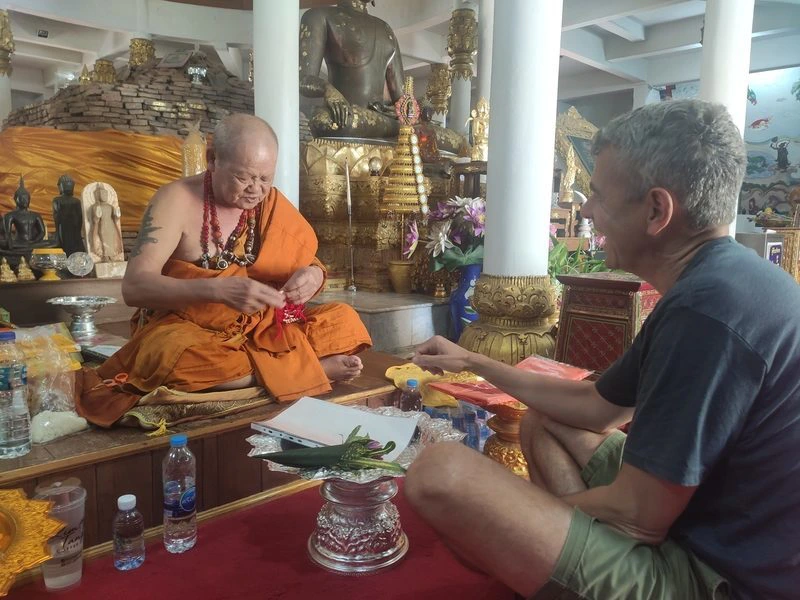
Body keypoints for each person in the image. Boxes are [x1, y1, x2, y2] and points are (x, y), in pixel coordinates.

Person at [405, 99, 800, 599]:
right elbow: (595, 408)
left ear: (657, 210)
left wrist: (514, 517)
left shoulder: (708, 314)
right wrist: (473, 362)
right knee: (543, 420)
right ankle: (570, 569)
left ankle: (567, 565)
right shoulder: (722, 281)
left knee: (439, 474)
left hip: (719, 578)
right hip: (699, 522)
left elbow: (642, 516)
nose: (587, 212)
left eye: (597, 195)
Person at [86, 114, 371, 422]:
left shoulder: (269, 203)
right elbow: (134, 287)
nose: (256, 190)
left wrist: (312, 276)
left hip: (260, 327)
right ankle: (308, 369)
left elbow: (301, 258)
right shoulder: (175, 200)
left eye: (265, 179)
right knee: (175, 356)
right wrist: (215, 289)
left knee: (345, 321)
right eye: (244, 177)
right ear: (212, 159)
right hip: (191, 328)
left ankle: (273, 373)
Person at [299, 0, 465, 154]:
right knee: (324, 120)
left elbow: (401, 98)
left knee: (457, 141)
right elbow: (303, 79)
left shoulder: (386, 30)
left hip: (383, 119)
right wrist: (329, 90)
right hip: (348, 117)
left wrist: (420, 105)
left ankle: (400, 130)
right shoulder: (319, 17)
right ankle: (399, 130)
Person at [88, 184, 124, 262]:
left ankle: (112, 255)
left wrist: (117, 215)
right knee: (104, 240)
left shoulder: (110, 206)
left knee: (111, 240)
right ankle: (105, 256)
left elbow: (115, 217)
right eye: (102, 194)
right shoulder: (95, 207)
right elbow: (93, 218)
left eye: (105, 193)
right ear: (97, 195)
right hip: (102, 226)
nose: (104, 195)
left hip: (111, 225)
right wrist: (97, 216)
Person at [52, 174, 86, 256]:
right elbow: (80, 220)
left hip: (65, 229)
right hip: (73, 230)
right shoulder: (76, 201)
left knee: (64, 247)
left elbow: (57, 218)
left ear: (60, 187)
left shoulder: (57, 200)